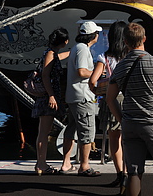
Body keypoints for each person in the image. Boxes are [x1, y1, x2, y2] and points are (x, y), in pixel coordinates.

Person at [107, 22, 153, 196]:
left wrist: (122, 119)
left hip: (130, 124)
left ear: (125, 42)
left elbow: (110, 98)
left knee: (134, 172)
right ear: (144, 39)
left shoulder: (120, 67)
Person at [89, 20, 127, 188]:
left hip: (111, 99)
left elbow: (93, 81)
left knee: (114, 139)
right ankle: (131, 172)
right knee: (129, 140)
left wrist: (97, 92)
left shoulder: (103, 57)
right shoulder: (130, 57)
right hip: (128, 99)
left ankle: (121, 174)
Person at [61, 21, 102, 177]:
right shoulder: (83, 50)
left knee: (70, 129)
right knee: (86, 132)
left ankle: (66, 163)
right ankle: (84, 166)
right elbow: (82, 71)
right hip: (83, 96)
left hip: (72, 95)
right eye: (97, 33)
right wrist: (98, 74)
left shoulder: (76, 48)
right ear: (93, 36)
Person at [31, 27, 70, 176]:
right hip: (48, 98)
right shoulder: (50, 54)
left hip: (48, 97)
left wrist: (72, 53)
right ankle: (41, 163)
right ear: (64, 41)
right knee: (44, 132)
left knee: (44, 131)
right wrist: (52, 96)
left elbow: (57, 58)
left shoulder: (52, 53)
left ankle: (41, 162)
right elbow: (45, 75)